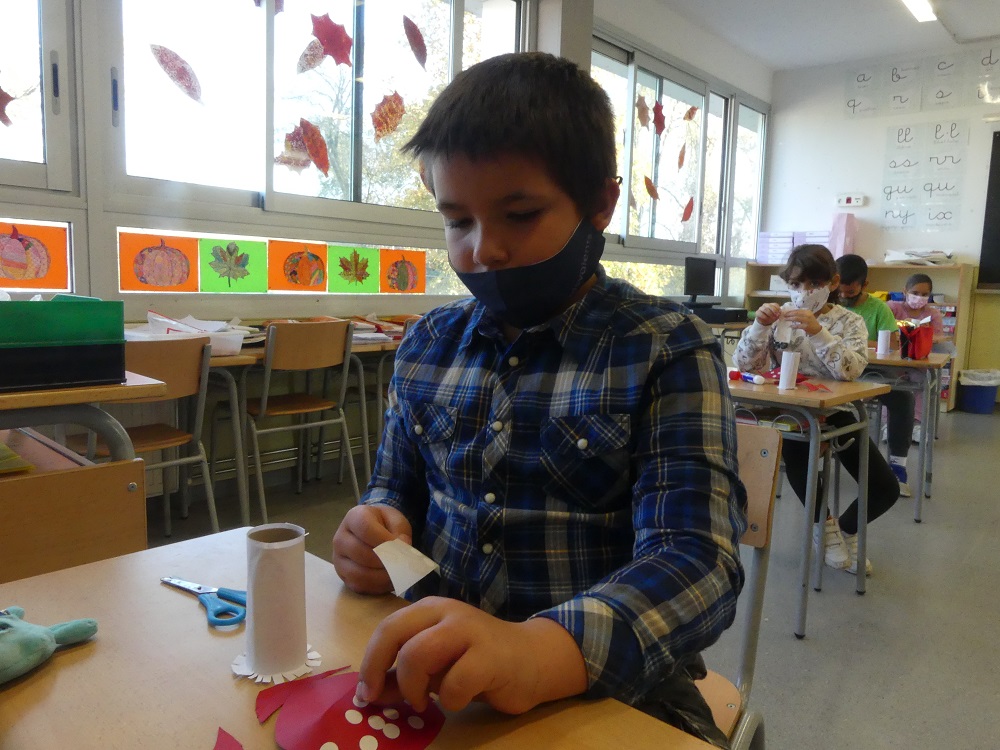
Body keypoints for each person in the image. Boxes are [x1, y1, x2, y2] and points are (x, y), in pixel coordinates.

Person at [331, 52, 746, 749]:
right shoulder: (426, 345)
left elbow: (697, 563)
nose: (483, 250)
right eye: (457, 221)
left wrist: (537, 649)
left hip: (611, 694)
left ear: (600, 205)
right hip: (438, 674)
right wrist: (371, 531)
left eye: (519, 215)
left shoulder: (666, 349)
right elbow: (394, 491)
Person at [733, 244, 899, 575]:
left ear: (832, 283)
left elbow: (850, 370)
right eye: (796, 285)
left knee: (885, 488)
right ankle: (823, 526)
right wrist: (759, 328)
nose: (803, 293)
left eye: (813, 285)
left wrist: (817, 331)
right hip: (789, 411)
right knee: (799, 445)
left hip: (837, 411)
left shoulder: (849, 321)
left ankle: (843, 531)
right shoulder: (780, 318)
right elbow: (746, 366)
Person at [836, 254, 913, 496]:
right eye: (840, 291)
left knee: (903, 398)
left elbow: (891, 344)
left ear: (865, 285)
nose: (844, 297)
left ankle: (897, 466)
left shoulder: (879, 308)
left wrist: (853, 342)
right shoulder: (829, 305)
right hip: (835, 372)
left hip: (871, 371)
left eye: (851, 292)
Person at [886, 273, 947, 444]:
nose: (919, 297)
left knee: (922, 381)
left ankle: (917, 424)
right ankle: (887, 424)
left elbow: (938, 337)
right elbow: (884, 330)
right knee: (890, 383)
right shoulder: (892, 308)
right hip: (892, 360)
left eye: (924, 294)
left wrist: (922, 333)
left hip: (919, 360)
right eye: (915, 293)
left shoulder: (933, 314)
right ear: (905, 291)